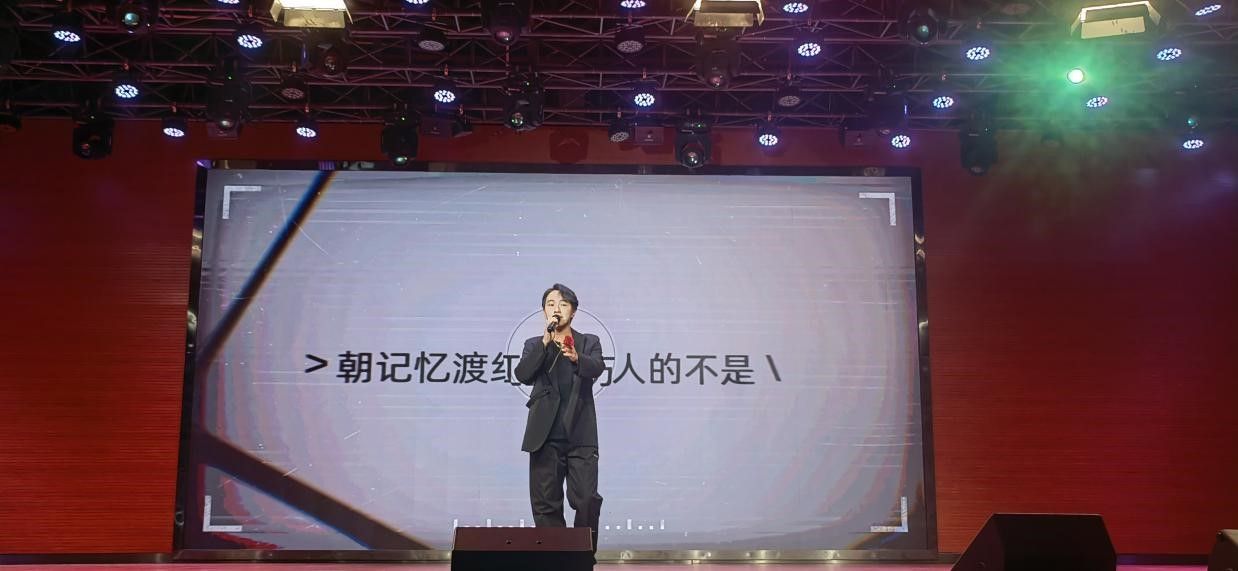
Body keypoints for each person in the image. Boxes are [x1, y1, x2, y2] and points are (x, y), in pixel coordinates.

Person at [514, 283, 605, 558]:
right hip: (544, 436)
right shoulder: (534, 344)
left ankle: (582, 556)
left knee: (586, 498)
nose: (557, 309)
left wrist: (577, 358)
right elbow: (523, 374)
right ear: (544, 311)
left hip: (580, 434)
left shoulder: (588, 342)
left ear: (573, 311)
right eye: (551, 304)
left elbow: (597, 366)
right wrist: (545, 342)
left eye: (563, 304)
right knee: (546, 504)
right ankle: (555, 559)